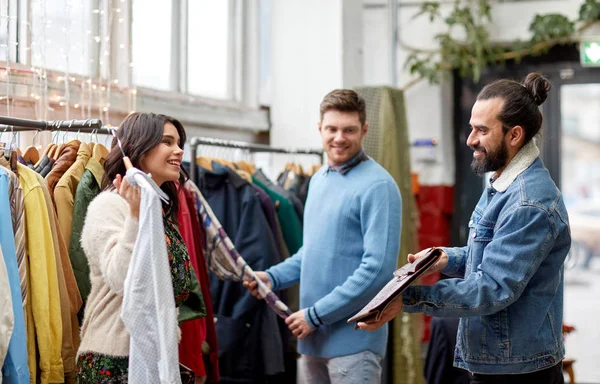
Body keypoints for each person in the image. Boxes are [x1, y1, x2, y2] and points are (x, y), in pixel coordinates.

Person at [358, 73, 571, 384]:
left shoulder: (529, 202)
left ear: (514, 135)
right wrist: (445, 257)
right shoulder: (503, 182)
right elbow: (492, 255)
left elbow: (493, 287)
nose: (470, 139)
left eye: (482, 130)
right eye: (472, 127)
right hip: (501, 362)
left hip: (518, 371)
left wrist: (407, 298)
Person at [245, 89, 402, 384]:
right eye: (332, 129)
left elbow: (378, 271)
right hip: (311, 340)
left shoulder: (379, 186)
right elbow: (311, 252)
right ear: (320, 129)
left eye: (349, 130)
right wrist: (272, 278)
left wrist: (316, 316)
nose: (339, 137)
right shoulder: (318, 179)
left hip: (354, 345)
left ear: (364, 130)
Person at [76, 112, 194, 382]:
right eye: (167, 141)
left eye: (179, 143)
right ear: (138, 150)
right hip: (113, 360)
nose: (178, 150)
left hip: (151, 355)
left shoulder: (157, 209)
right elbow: (124, 280)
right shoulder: (109, 206)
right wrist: (135, 216)